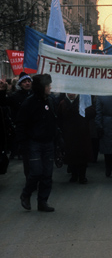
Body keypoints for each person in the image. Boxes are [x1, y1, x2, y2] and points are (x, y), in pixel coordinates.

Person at [17, 74, 58, 212]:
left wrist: (58, 140)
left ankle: (42, 202)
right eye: (47, 85)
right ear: (41, 88)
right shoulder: (29, 103)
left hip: (48, 143)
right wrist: (23, 143)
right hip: (34, 143)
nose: (50, 88)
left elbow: (54, 122)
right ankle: (26, 194)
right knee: (36, 172)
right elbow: (21, 124)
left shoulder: (50, 101)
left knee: (47, 174)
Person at [57, 94, 95, 184]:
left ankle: (82, 176)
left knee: (82, 155)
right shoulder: (63, 103)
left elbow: (92, 113)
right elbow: (59, 118)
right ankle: (74, 175)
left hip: (82, 133)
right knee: (71, 155)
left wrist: (84, 110)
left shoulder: (83, 101)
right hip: (69, 134)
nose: (71, 95)